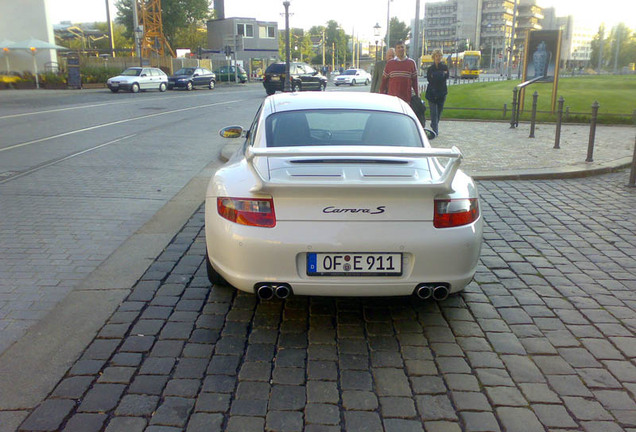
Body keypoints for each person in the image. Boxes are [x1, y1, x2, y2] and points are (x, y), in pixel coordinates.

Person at [425, 49, 449, 135]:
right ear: (433, 57)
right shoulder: (430, 68)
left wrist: (436, 75)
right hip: (432, 93)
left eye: (440, 56)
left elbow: (446, 77)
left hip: (442, 93)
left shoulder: (445, 67)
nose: (438, 58)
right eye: (436, 56)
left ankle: (434, 124)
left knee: (439, 112)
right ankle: (435, 131)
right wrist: (440, 74)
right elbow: (429, 79)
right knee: (433, 112)